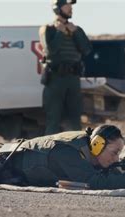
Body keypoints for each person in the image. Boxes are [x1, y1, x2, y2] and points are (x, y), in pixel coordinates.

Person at [39, 0, 92, 135]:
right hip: (56, 78)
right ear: (57, 8)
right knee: (53, 120)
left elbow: (86, 50)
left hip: (73, 79)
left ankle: (76, 152)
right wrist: (60, 33)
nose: (70, 9)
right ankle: (49, 153)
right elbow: (51, 51)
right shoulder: (49, 29)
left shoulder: (76, 29)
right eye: (67, 6)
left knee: (75, 119)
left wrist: (76, 33)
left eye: (71, 6)